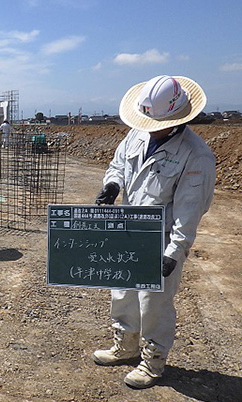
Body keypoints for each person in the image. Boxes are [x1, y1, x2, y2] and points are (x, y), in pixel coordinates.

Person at [93, 76, 216, 388]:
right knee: (123, 293)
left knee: (155, 302)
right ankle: (125, 346)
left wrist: (175, 252)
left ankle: (153, 362)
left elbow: (190, 210)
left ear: (175, 119)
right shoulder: (138, 134)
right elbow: (118, 164)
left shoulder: (195, 155)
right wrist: (112, 185)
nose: (148, 125)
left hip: (161, 238)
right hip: (130, 230)